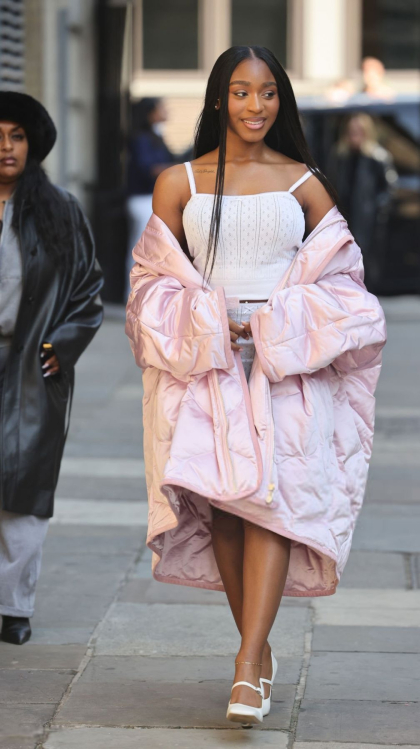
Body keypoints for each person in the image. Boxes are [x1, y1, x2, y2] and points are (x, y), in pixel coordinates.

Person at [126, 46, 386, 726]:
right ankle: (257, 646)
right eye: (241, 93)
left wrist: (277, 323)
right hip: (208, 366)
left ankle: (245, 666)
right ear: (218, 100)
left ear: (282, 102)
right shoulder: (176, 182)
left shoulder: (305, 184)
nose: (255, 106)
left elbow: (345, 284)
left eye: (268, 93)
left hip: (282, 367)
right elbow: (150, 286)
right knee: (224, 508)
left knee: (268, 499)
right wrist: (210, 322)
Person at [0, 92, 103, 645]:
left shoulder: (58, 209)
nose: (6, 146)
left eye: (16, 135)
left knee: (23, 491)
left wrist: (61, 346)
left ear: (32, 143)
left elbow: (88, 289)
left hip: (31, 367)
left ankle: (13, 607)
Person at [327, 113, 397, 285]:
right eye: (351, 131)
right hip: (343, 220)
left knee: (367, 265)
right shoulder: (339, 156)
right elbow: (330, 185)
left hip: (368, 221)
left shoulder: (377, 157)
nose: (354, 136)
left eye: (358, 131)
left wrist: (377, 212)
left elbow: (389, 189)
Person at [125, 98, 175, 294]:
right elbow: (150, 168)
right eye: (161, 107)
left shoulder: (156, 136)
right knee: (141, 249)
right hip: (143, 198)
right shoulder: (141, 138)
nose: (165, 110)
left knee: (152, 249)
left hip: (151, 199)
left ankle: (145, 292)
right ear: (150, 113)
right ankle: (133, 292)